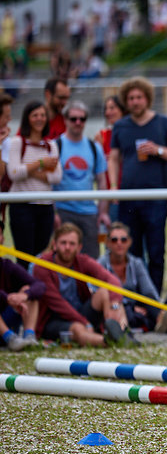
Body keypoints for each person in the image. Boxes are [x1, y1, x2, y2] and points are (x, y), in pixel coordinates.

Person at [109, 76, 167, 293]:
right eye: (131, 98)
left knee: (156, 252)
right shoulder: (120, 126)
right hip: (128, 198)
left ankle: (153, 299)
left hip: (156, 198)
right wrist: (113, 185)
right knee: (130, 252)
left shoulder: (164, 122)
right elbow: (113, 157)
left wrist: (158, 150)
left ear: (148, 99)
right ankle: (133, 299)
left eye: (139, 97)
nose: (135, 102)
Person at [33, 223, 129, 346]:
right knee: (77, 328)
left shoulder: (82, 261)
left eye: (72, 244)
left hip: (81, 313)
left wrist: (115, 303)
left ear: (79, 247)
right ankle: (108, 342)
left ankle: (122, 332)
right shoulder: (42, 266)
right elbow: (56, 303)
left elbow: (112, 280)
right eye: (63, 243)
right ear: (54, 245)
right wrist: (84, 322)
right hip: (52, 319)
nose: (67, 247)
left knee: (106, 294)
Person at [6, 101, 63, 262]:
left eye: (43, 115)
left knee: (40, 256)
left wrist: (29, 170)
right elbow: (14, 173)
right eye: (35, 115)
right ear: (27, 118)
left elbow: (57, 177)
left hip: (46, 206)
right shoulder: (17, 142)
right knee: (24, 257)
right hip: (22, 206)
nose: (39, 119)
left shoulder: (51, 145)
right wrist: (41, 164)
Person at [52, 100, 109, 259]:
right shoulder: (56, 146)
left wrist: (103, 212)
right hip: (63, 211)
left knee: (91, 261)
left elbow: (102, 182)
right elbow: (48, 183)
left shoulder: (94, 147)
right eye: (73, 119)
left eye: (82, 119)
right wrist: (53, 213)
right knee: (62, 259)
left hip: (89, 213)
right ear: (65, 120)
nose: (78, 122)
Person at [98, 221, 161, 331]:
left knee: (152, 305)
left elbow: (149, 292)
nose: (119, 243)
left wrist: (156, 310)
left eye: (123, 240)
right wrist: (130, 307)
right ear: (107, 243)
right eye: (114, 240)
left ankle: (165, 321)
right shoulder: (100, 264)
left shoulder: (136, 263)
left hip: (135, 308)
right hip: (111, 306)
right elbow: (96, 294)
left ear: (129, 242)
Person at [0, 220, 44, 351]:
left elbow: (39, 285)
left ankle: (29, 337)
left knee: (29, 290)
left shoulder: (7, 265)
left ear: (2, 239)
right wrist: (8, 298)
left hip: (7, 319)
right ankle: (10, 339)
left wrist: (24, 296)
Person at [93, 95, 127, 220]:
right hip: (111, 194)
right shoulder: (101, 135)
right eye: (106, 109)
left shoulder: (130, 133)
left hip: (129, 189)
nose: (108, 112)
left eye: (112, 108)